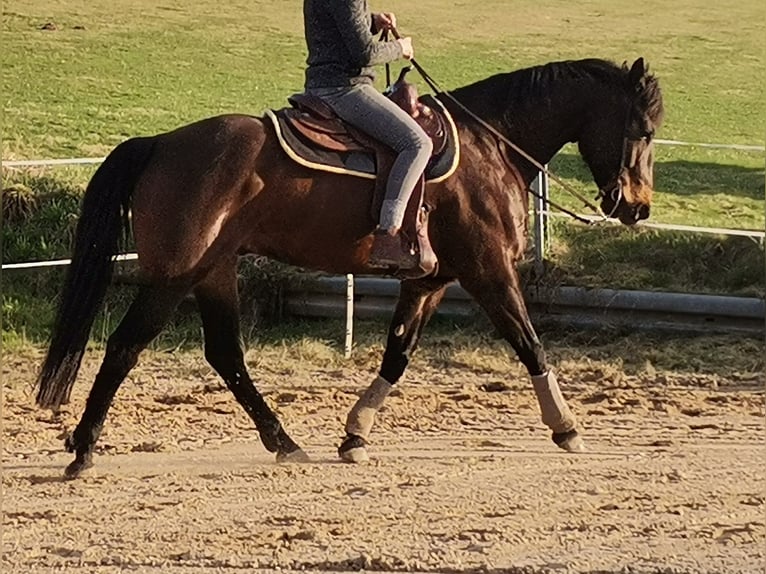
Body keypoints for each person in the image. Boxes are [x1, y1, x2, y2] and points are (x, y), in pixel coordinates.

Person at [303, 0, 433, 270]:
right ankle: (388, 235)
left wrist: (372, 22)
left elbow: (334, 25)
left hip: (319, 85)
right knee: (418, 143)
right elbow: (365, 54)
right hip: (344, 89)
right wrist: (401, 47)